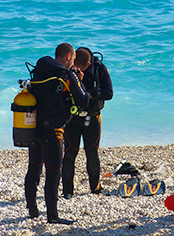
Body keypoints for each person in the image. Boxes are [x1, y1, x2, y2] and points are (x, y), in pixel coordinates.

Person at [26, 43, 90, 224]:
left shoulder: (39, 71)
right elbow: (83, 100)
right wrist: (79, 79)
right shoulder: (66, 75)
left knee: (34, 169)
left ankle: (32, 210)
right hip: (53, 130)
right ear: (69, 56)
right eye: (73, 59)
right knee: (54, 171)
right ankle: (53, 216)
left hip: (33, 128)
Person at [62, 47, 113, 199]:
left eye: (80, 67)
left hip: (93, 116)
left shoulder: (100, 69)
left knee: (92, 152)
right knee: (70, 153)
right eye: (75, 66)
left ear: (88, 64)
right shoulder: (69, 69)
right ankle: (67, 191)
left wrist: (88, 93)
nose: (77, 69)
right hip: (73, 118)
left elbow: (109, 93)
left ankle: (95, 188)